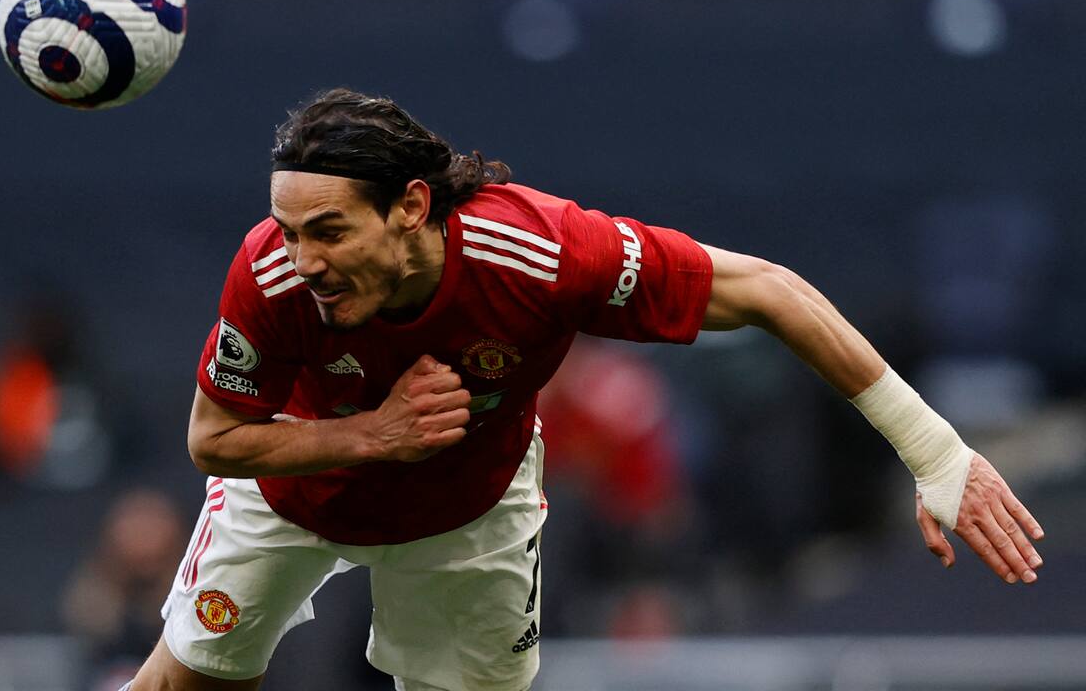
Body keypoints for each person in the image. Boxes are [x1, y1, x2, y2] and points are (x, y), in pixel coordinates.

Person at [129, 88, 1044, 691]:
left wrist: (934, 450)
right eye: (287, 231)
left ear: (410, 206)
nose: (304, 260)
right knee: (185, 683)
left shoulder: (540, 254)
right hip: (298, 493)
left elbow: (767, 290)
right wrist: (371, 435)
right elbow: (215, 440)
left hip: (467, 511)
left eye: (327, 231)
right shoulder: (272, 276)